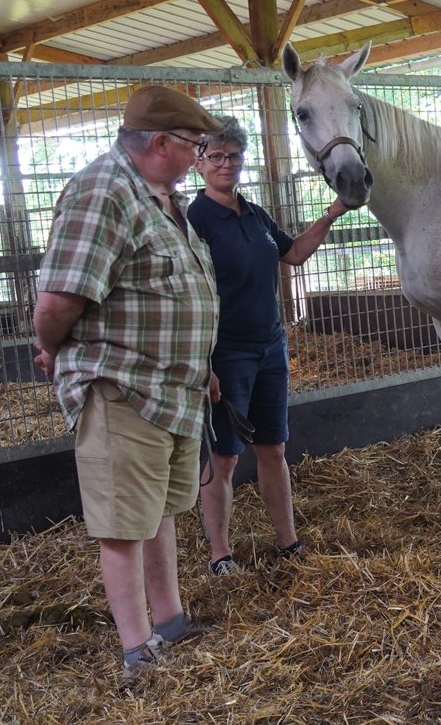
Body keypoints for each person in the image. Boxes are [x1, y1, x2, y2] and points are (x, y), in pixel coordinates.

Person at [32, 85, 224, 679]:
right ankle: (138, 650)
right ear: (160, 142)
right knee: (122, 525)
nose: (200, 155)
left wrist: (202, 367)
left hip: (172, 389)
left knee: (157, 512)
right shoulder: (105, 191)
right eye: (195, 144)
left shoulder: (162, 197)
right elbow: (57, 300)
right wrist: (52, 348)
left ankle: (170, 620)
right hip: (122, 385)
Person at [188, 116, 348, 576]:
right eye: (216, 156)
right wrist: (204, 362)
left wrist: (332, 213)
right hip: (226, 352)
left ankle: (287, 541)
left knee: (273, 448)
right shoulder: (194, 220)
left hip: (270, 346)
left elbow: (292, 253)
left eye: (234, 156)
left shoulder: (254, 214)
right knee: (223, 456)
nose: (226, 164)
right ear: (199, 163)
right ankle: (220, 555)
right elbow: (190, 294)